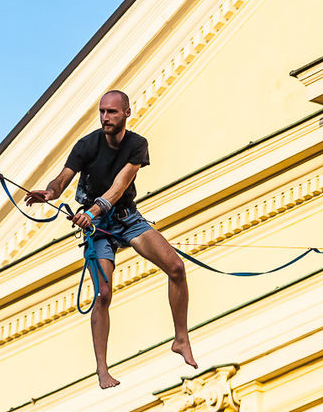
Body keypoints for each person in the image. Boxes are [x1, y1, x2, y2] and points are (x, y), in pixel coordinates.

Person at [26, 90, 197, 388]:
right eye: (102, 112)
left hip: (126, 218)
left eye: (112, 112)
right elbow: (63, 178)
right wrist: (50, 193)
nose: (105, 118)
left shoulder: (137, 145)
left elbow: (119, 187)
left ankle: (181, 339)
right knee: (103, 294)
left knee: (177, 268)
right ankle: (102, 369)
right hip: (97, 228)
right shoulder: (87, 145)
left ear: (127, 113)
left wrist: (91, 212)